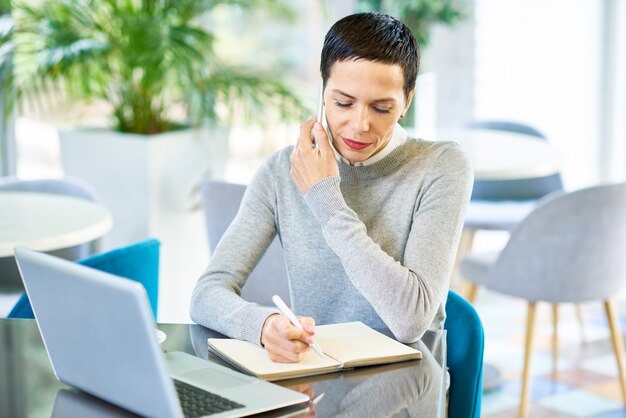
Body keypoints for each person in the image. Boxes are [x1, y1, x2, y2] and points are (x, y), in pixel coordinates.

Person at [190, 12, 473, 364]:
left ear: (407, 101)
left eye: (381, 108)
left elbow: (410, 320)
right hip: (318, 380)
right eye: (343, 103)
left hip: (409, 388)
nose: (359, 125)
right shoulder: (282, 171)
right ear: (322, 92)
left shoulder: (441, 166)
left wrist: (326, 198)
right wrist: (263, 325)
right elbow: (206, 294)